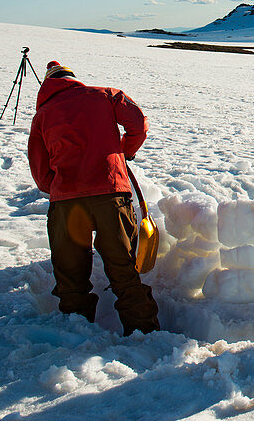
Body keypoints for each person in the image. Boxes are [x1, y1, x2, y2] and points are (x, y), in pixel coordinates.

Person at [27, 60, 160, 335]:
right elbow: (139, 124)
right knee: (123, 268)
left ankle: (76, 335)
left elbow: (40, 172)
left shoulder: (42, 115)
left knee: (71, 276)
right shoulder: (105, 96)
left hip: (66, 203)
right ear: (74, 79)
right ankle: (144, 334)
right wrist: (124, 151)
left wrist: (62, 186)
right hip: (111, 194)